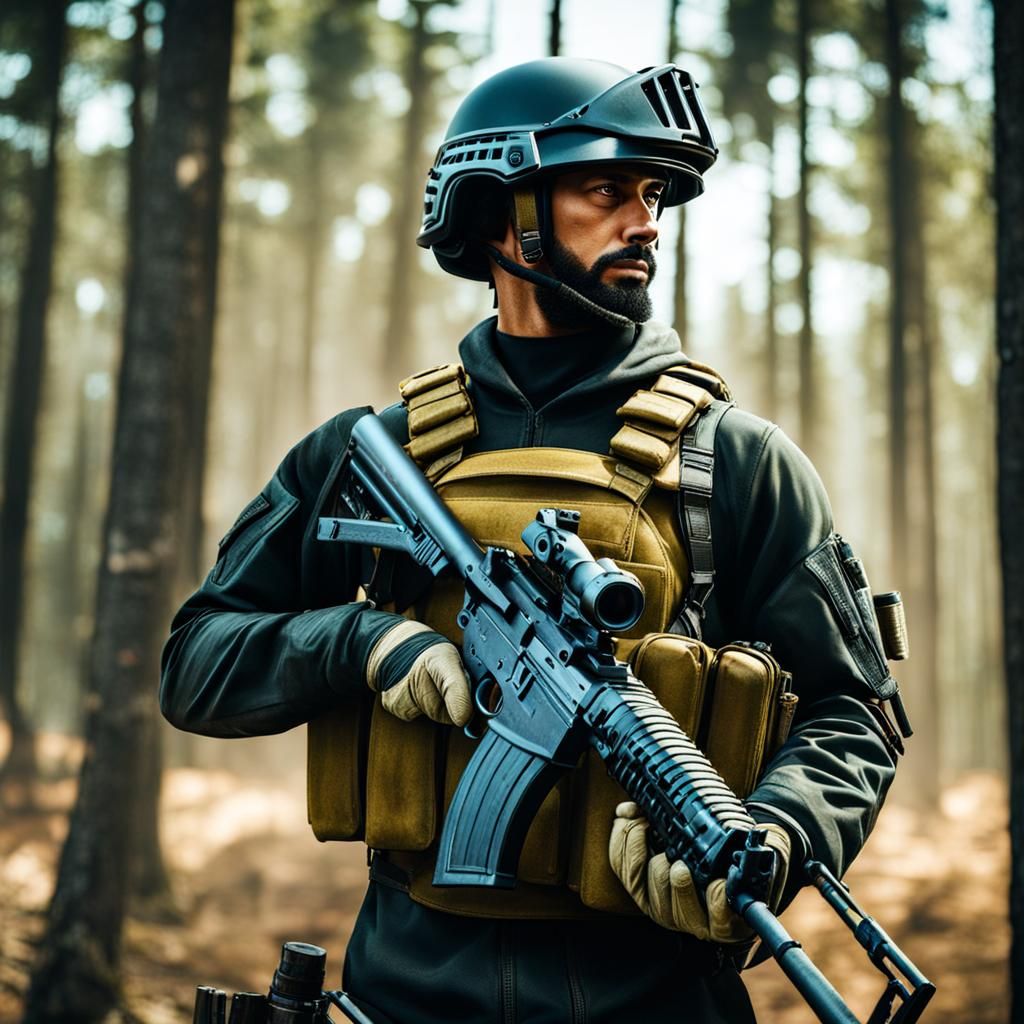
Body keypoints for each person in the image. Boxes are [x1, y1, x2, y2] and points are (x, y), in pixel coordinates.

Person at [161, 59, 906, 1023]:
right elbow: (195, 662)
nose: (645, 220)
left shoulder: (735, 461)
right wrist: (363, 643)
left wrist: (770, 833)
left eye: (652, 195)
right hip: (406, 988)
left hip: (654, 995)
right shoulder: (374, 453)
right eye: (607, 189)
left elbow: (857, 712)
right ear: (500, 210)